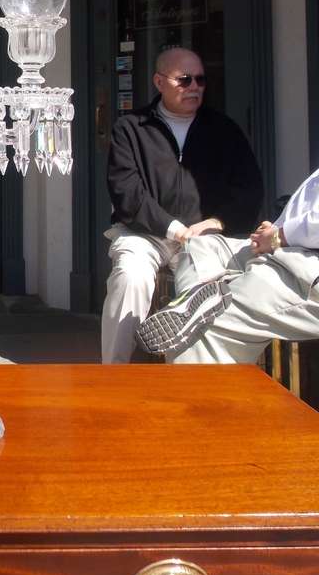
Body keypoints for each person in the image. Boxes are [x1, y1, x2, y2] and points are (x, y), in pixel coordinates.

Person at [101, 47, 263, 364]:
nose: (194, 87)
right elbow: (126, 191)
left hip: (204, 236)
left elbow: (249, 188)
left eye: (200, 80)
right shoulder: (131, 128)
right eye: (184, 79)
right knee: (129, 276)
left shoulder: (224, 129)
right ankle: (112, 372)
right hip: (145, 233)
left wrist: (217, 222)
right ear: (159, 82)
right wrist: (173, 229)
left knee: (200, 286)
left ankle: (188, 373)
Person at [136, 166, 319, 363]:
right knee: (198, 246)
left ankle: (206, 311)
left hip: (304, 265)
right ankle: (197, 300)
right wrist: (278, 228)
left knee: (204, 332)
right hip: (289, 247)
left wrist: (279, 236)